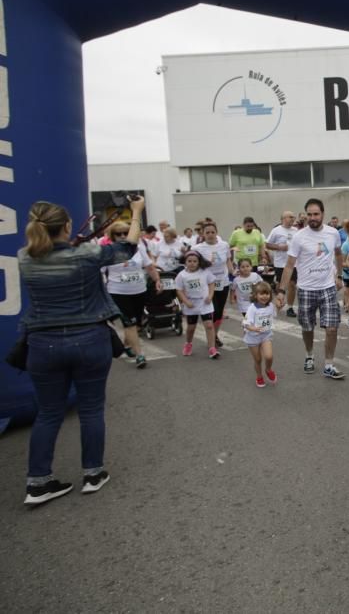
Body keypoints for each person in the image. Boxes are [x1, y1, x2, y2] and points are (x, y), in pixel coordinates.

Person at [18, 196, 146, 505]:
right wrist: (137, 211)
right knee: (90, 409)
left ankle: (38, 483)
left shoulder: (25, 258)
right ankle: (93, 474)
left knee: (48, 413)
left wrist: (72, 246)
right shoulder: (87, 254)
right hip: (89, 339)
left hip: (42, 344)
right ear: (66, 226)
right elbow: (128, 247)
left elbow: (55, 256)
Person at [276, 198, 345, 379]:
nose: (313, 217)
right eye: (310, 214)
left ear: (322, 214)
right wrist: (281, 291)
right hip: (306, 289)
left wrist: (339, 275)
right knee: (307, 327)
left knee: (332, 328)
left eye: (316, 214)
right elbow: (290, 265)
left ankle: (329, 364)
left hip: (328, 288)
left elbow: (339, 254)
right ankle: (309, 355)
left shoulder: (333, 234)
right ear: (306, 215)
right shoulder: (299, 237)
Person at [103, 221, 162, 369]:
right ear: (112, 236)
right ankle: (140, 355)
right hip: (118, 292)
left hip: (139, 291)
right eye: (119, 234)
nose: (123, 236)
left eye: (126, 233)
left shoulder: (139, 248)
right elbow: (100, 272)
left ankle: (127, 345)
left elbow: (149, 266)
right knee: (129, 323)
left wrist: (157, 280)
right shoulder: (108, 251)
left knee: (136, 324)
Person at [193, 221, 234, 350]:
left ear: (217, 233)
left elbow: (228, 260)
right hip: (207, 284)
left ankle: (214, 335)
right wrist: (206, 264)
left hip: (223, 281)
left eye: (213, 232)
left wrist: (233, 272)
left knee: (219, 312)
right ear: (203, 234)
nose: (210, 235)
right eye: (207, 232)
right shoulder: (197, 249)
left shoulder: (224, 245)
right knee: (213, 310)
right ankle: (212, 336)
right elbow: (193, 265)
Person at [175, 250, 219, 358]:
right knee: (191, 327)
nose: (192, 263)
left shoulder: (205, 272)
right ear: (185, 262)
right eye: (189, 261)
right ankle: (188, 344)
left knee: (209, 325)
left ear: (199, 262)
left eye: (195, 261)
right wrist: (186, 301)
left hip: (205, 303)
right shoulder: (181, 275)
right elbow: (179, 290)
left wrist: (210, 296)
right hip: (191, 305)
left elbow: (211, 283)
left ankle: (212, 348)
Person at [243, 282, 277, 388]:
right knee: (258, 359)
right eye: (261, 294)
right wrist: (254, 328)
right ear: (255, 295)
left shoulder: (271, 306)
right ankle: (259, 376)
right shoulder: (252, 308)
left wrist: (279, 307)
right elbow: (245, 323)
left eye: (267, 294)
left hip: (266, 334)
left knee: (269, 356)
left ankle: (268, 369)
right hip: (253, 336)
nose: (264, 296)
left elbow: (274, 315)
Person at [266, 211, 298, 317]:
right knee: (281, 285)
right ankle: (278, 301)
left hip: (293, 263)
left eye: (293, 217)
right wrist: (280, 247)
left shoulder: (296, 230)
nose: (293, 219)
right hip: (280, 263)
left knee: (292, 284)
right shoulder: (276, 230)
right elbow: (267, 245)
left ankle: (290, 307)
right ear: (283, 218)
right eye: (290, 217)